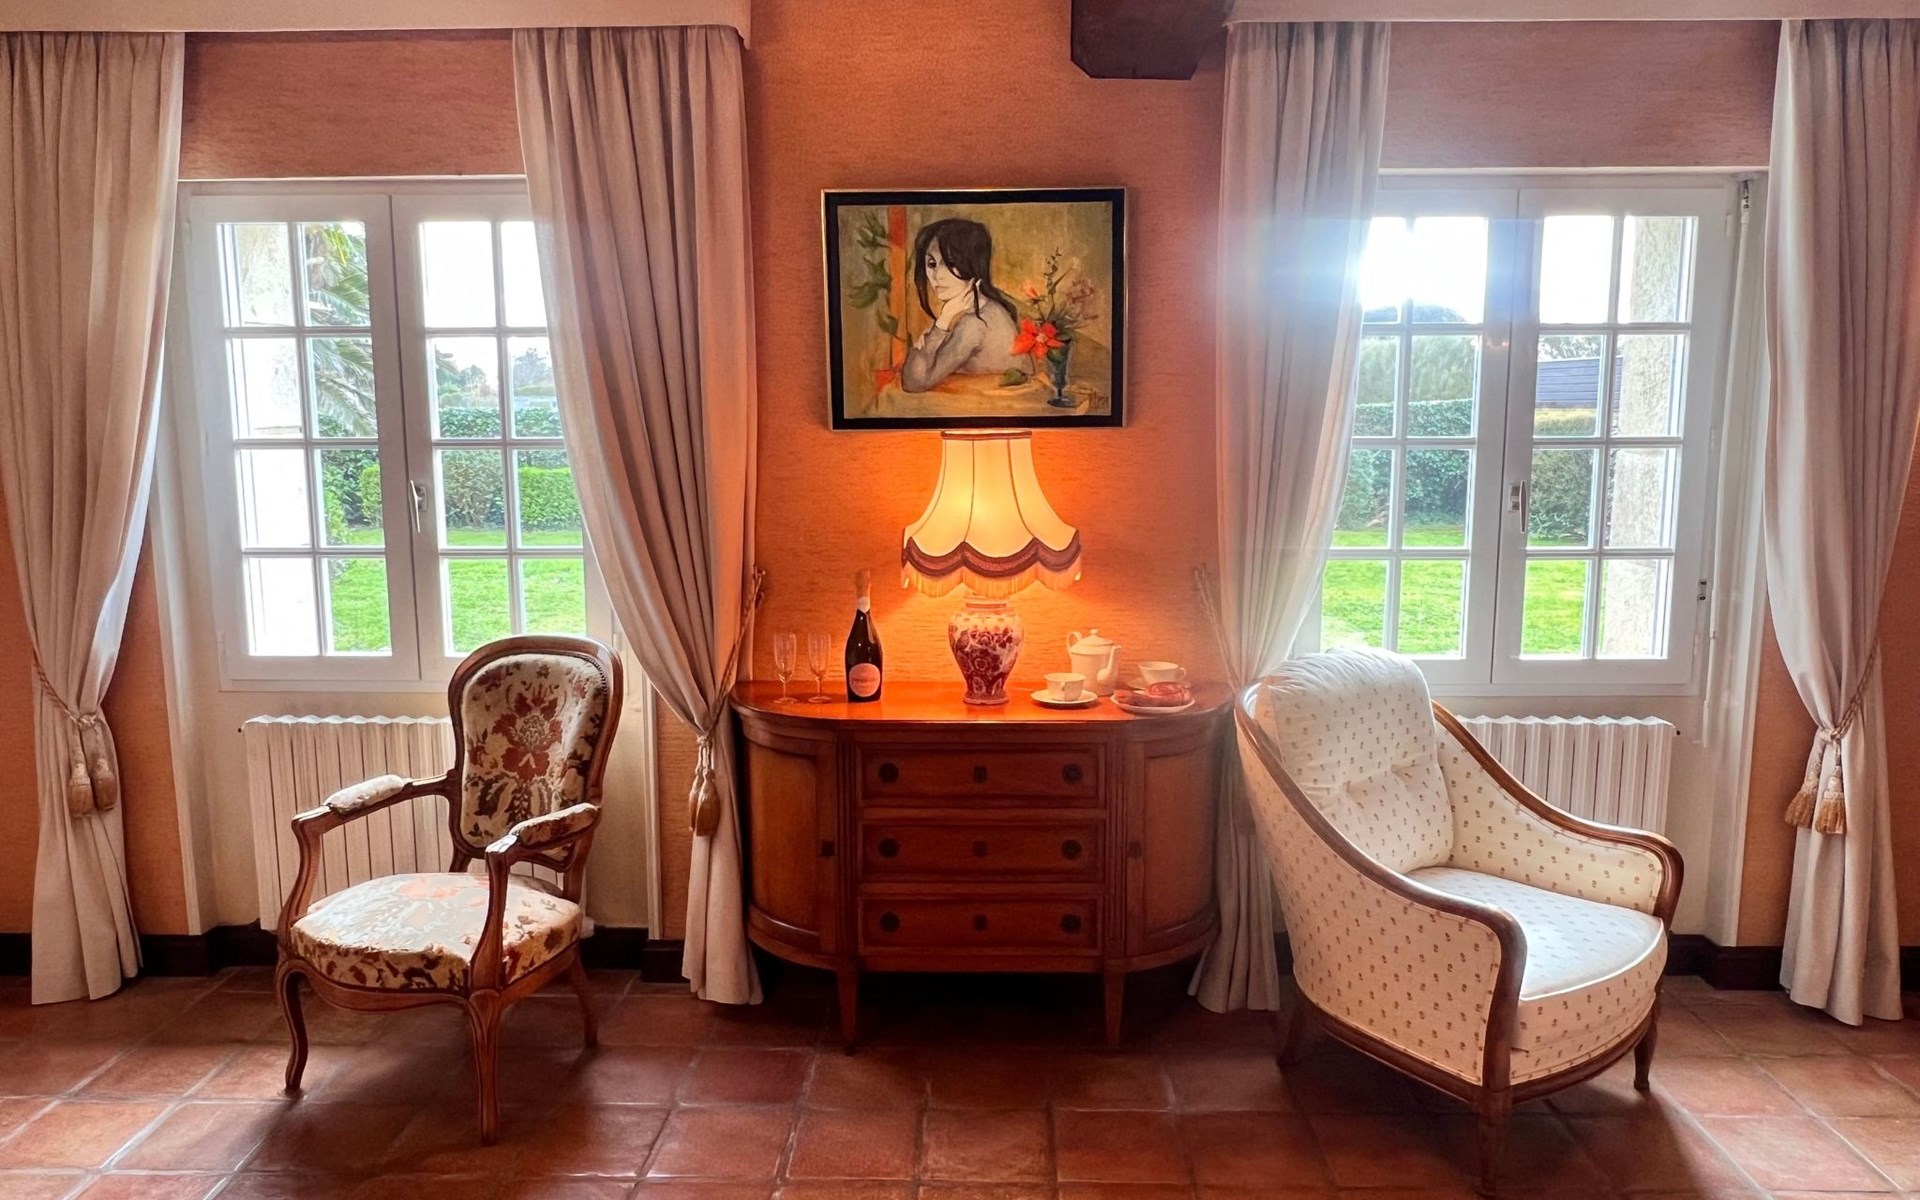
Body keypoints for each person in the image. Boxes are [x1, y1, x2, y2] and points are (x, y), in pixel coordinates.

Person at [899, 218, 1027, 392]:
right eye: (931, 264)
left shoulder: (975, 323)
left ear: (973, 265)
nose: (937, 275)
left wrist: (942, 322)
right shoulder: (978, 309)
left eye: (951, 264)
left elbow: (913, 383)